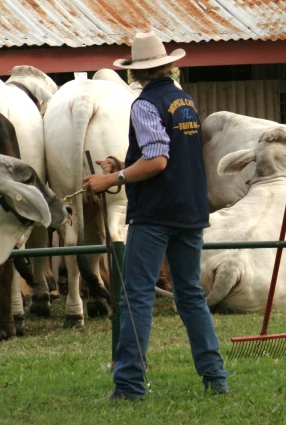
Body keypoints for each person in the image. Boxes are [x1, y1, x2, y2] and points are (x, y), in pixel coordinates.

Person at [83, 31, 228, 400]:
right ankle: (215, 378)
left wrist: (111, 178)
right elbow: (170, 153)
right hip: (191, 211)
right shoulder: (185, 102)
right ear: (167, 65)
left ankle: (129, 385)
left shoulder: (144, 104)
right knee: (190, 296)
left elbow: (159, 160)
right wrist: (125, 161)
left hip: (155, 214)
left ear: (135, 72)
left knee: (136, 297)